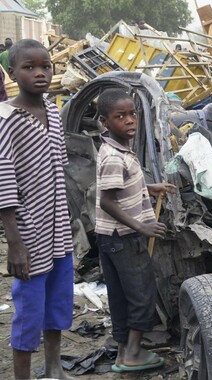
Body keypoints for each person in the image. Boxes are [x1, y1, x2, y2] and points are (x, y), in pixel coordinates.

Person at [0, 39, 74, 380]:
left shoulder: (55, 113)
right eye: (29, 68)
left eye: (45, 66)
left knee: (58, 304)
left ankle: (55, 368)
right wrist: (14, 243)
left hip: (60, 230)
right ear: (12, 73)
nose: (40, 73)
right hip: (29, 234)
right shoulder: (7, 120)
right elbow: (4, 181)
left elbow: (61, 167)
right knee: (29, 310)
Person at [95, 88, 176, 373]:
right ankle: (132, 353)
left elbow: (121, 187)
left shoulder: (116, 149)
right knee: (142, 293)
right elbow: (107, 200)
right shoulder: (114, 156)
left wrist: (150, 188)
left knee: (120, 295)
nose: (130, 120)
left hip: (110, 237)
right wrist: (141, 225)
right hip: (124, 237)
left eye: (132, 114)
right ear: (105, 122)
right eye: (120, 116)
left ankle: (122, 351)